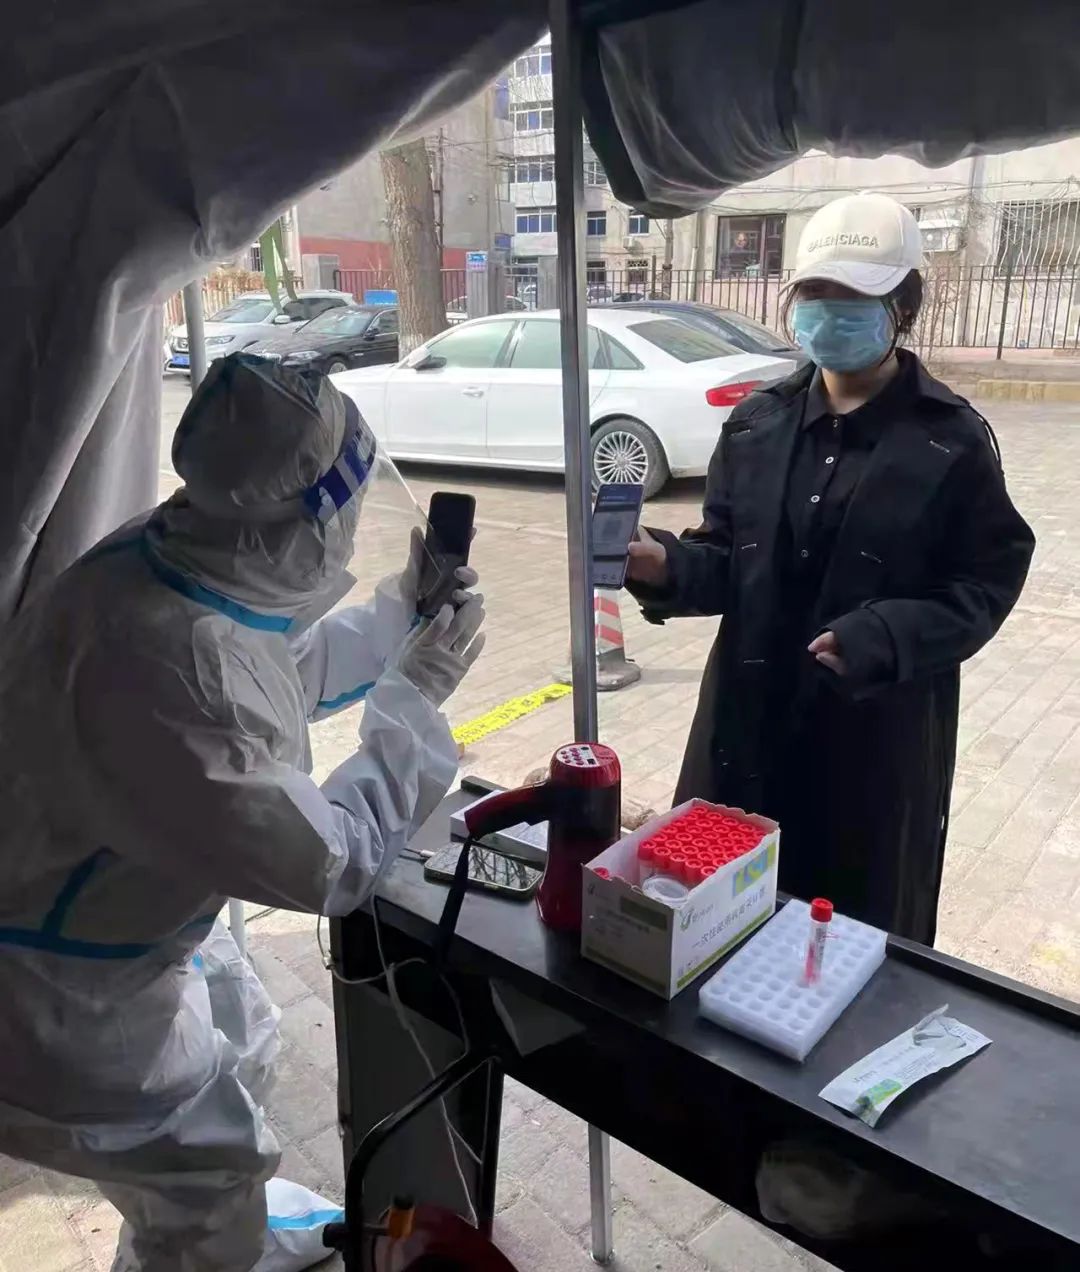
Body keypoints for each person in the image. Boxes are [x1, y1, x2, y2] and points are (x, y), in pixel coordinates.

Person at [0, 355, 485, 1269]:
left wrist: (397, 623)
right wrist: (413, 705)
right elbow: (331, 862)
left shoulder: (170, 558)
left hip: (100, 911)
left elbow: (260, 678)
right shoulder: (174, 667)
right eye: (347, 510)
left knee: (244, 1029)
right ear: (307, 521)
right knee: (209, 1176)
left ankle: (228, 1232)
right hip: (59, 999)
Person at [627, 193, 1034, 944]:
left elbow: (984, 584)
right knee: (717, 926)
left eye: (854, 296)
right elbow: (727, 557)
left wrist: (886, 634)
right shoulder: (757, 422)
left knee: (846, 941)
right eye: (815, 293)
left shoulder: (951, 441)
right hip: (746, 725)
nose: (829, 313)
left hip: (873, 741)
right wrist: (664, 565)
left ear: (903, 306)